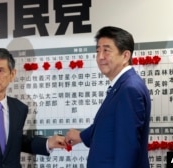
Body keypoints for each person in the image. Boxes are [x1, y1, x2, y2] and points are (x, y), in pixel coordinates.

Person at [65, 26, 151, 168]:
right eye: (98, 50)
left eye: (106, 50)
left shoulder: (129, 89)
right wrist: (81, 136)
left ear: (125, 56)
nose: (100, 57)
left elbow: (127, 149)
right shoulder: (122, 86)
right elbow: (107, 126)